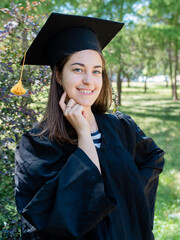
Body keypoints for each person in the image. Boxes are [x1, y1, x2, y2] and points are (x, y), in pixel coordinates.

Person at [14, 12, 165, 240]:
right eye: (77, 69)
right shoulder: (36, 145)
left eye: (96, 71)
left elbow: (152, 159)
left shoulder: (120, 126)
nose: (89, 80)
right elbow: (49, 221)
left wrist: (129, 198)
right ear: (58, 75)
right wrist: (84, 135)